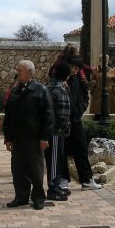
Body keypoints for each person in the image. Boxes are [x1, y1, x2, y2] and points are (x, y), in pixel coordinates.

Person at [3, 60, 54, 210]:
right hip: (18, 138)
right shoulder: (14, 91)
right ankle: (21, 196)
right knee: (18, 170)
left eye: (20, 70)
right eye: (17, 69)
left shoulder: (41, 90)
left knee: (35, 169)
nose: (16, 72)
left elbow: (48, 116)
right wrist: (7, 137)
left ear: (30, 72)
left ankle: (38, 197)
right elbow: (9, 116)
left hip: (35, 138)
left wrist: (45, 137)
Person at [60, 55, 102, 192]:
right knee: (63, 151)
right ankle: (64, 179)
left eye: (78, 68)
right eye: (73, 67)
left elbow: (85, 96)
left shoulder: (79, 79)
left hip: (76, 120)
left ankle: (87, 180)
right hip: (63, 121)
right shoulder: (60, 80)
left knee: (81, 150)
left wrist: (81, 109)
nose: (76, 70)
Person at [45, 62, 71, 201]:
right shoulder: (60, 90)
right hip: (56, 131)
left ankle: (56, 186)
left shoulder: (48, 87)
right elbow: (63, 114)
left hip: (51, 130)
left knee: (55, 159)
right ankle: (53, 188)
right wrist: (65, 128)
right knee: (55, 160)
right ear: (66, 75)